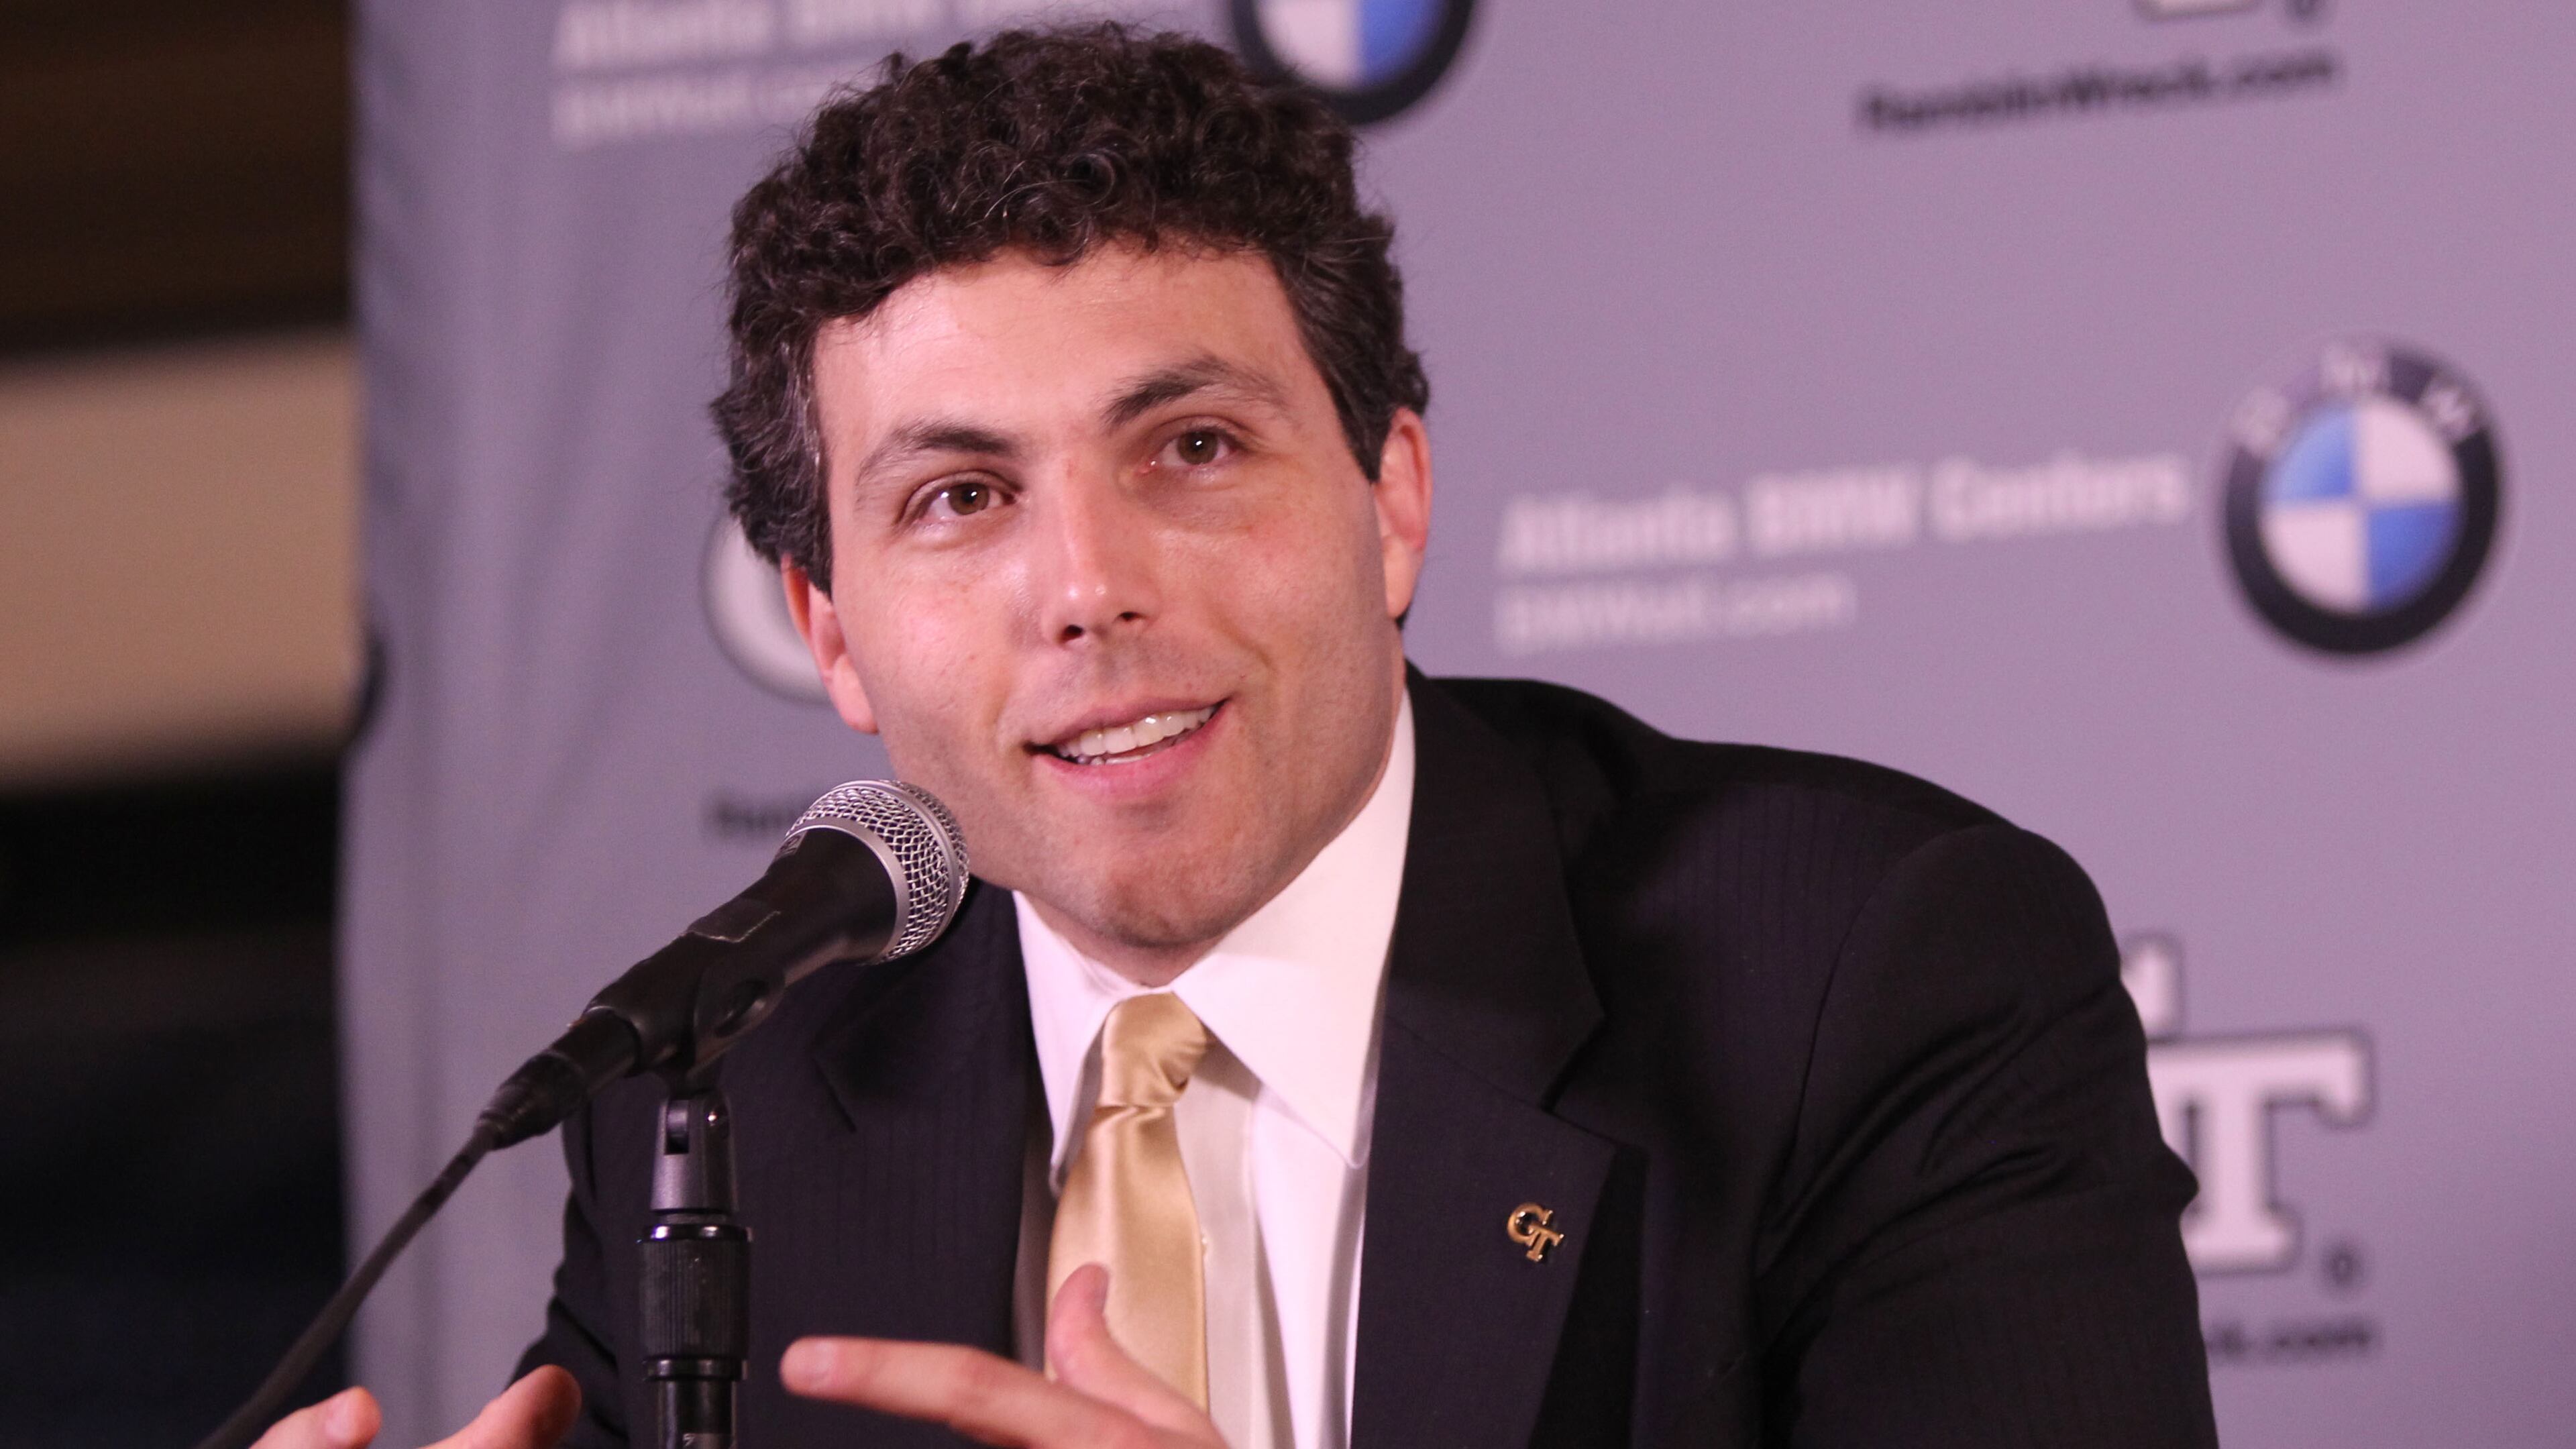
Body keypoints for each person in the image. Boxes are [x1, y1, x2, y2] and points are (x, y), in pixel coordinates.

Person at [257, 24, 2216, 1449]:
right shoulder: (725, 1101)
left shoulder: (1867, 976)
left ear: (1394, 503)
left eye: (1191, 450)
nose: (1087, 586)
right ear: (828, 632)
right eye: (959, 499)